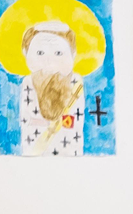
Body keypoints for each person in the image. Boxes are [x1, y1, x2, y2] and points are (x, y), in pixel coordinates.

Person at [18, 20, 86, 157]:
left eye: (59, 53)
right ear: (26, 53)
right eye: (40, 53)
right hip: (34, 148)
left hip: (69, 149)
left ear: (73, 54)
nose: (49, 61)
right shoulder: (28, 83)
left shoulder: (76, 83)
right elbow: (27, 118)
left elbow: (75, 120)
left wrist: (59, 123)